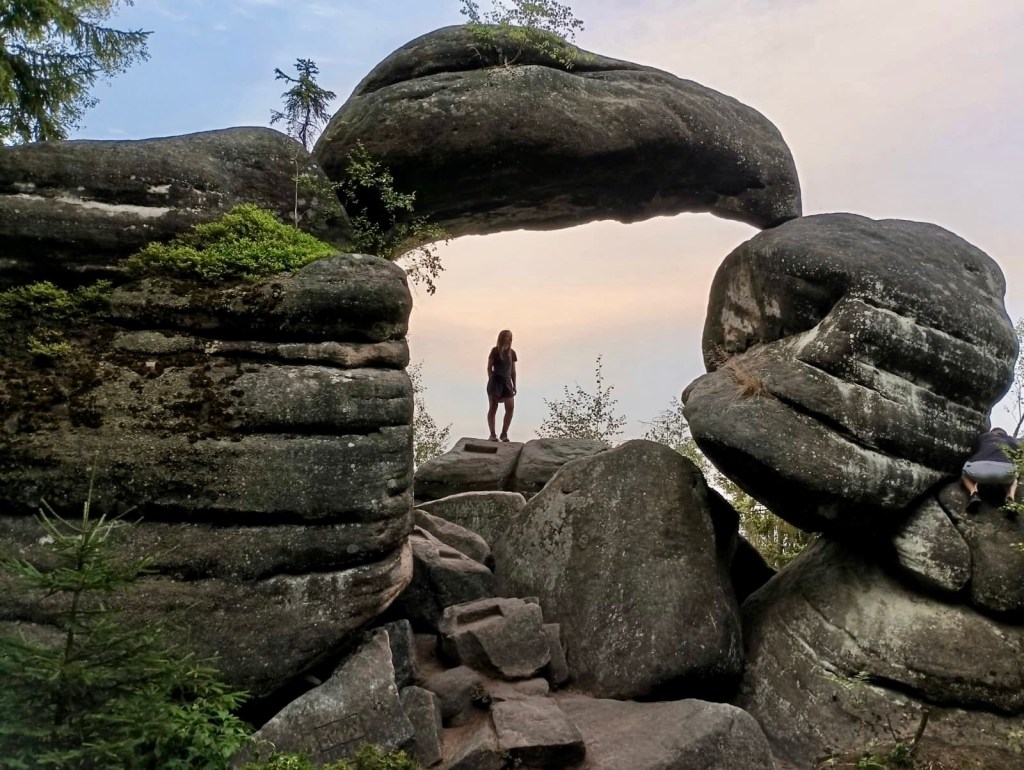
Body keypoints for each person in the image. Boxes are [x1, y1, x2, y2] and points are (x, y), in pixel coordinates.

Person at [961, 427, 1020, 512]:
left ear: (993, 433)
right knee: (1014, 479)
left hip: (980, 469)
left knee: (964, 473)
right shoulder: (1013, 441)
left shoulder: (984, 436)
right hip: (1006, 472)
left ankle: (974, 493)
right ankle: (1010, 498)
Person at [486, 329, 517, 442]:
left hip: (507, 382)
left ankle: (504, 433)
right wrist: (491, 379)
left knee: (510, 407)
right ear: (502, 337)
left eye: (511, 337)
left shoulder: (512, 353)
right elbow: (489, 367)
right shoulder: (495, 351)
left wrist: (514, 384)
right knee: (493, 407)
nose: (509, 339)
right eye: (507, 336)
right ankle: (492, 434)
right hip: (495, 381)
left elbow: (513, 370)